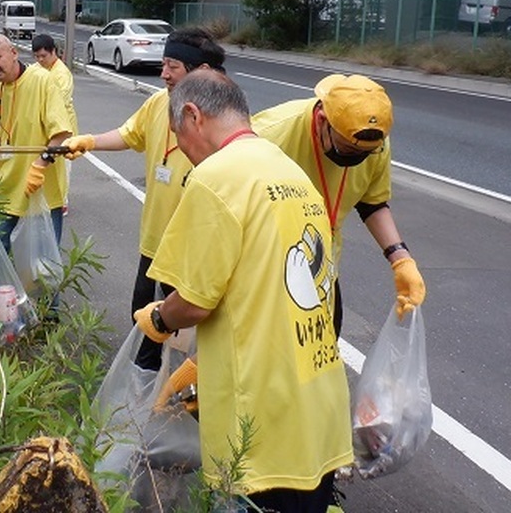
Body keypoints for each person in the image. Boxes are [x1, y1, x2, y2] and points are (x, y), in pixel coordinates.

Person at [135, 69, 352, 512]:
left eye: (178, 135)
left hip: (261, 418)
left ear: (192, 115)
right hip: (315, 405)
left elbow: (193, 302)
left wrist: (158, 318)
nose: (183, 150)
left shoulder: (217, 176)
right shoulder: (290, 171)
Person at [60, 28, 226, 371]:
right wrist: (89, 141)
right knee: (143, 316)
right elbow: (127, 134)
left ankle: (179, 385)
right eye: (163, 65)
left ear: (201, 71)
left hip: (195, 247)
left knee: (186, 328)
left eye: (173, 66)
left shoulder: (222, 116)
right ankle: (144, 381)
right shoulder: (158, 103)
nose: (164, 74)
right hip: (155, 240)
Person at [251, 74, 426, 337]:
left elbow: (372, 203)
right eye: (347, 150)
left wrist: (401, 259)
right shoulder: (268, 137)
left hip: (321, 267)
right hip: (261, 265)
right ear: (323, 120)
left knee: (322, 347)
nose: (357, 159)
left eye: (365, 154)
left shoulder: (374, 142)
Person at [0, 33, 74, 251]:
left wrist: (40, 165)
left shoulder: (43, 81)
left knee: (43, 259)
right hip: (6, 183)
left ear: (14, 53)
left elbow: (61, 133)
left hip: (40, 186)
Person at [31, 34, 78, 214]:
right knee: (47, 161)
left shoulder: (62, 74)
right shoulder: (37, 68)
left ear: (53, 52)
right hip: (46, 125)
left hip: (63, 127)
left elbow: (58, 101)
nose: (40, 60)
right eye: (37, 56)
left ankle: (62, 202)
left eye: (43, 56)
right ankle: (47, 198)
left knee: (62, 165)